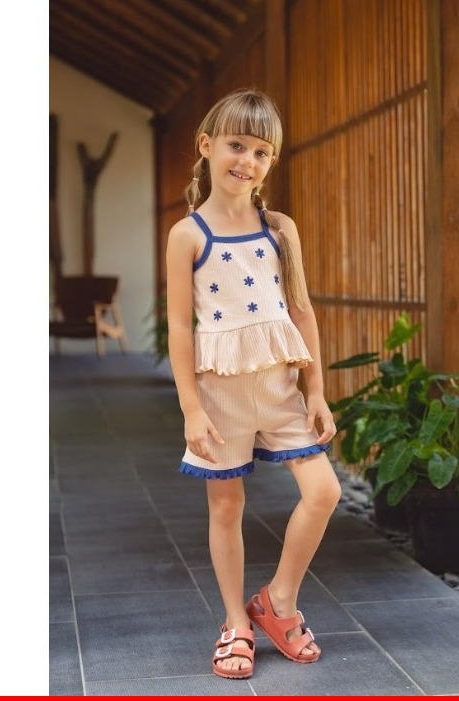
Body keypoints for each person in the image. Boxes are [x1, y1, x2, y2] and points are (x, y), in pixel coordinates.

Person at [166, 88, 341, 680]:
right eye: (237, 145)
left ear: (271, 162)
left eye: (262, 151)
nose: (247, 160)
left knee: (323, 492)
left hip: (282, 391)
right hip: (220, 397)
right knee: (226, 506)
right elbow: (180, 328)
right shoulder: (188, 235)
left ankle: (278, 601)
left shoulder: (280, 229)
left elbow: (302, 310)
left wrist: (316, 391)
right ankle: (235, 622)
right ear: (206, 145)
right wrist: (191, 408)